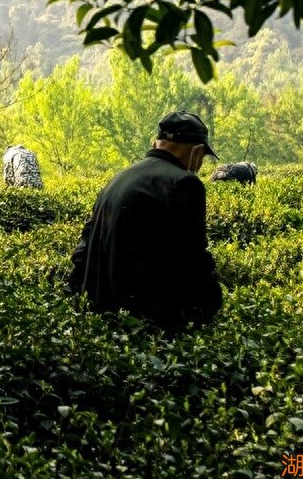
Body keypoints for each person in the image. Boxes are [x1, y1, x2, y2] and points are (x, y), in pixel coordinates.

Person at [67, 111, 223, 331]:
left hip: (101, 320)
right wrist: (214, 310)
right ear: (197, 152)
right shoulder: (185, 183)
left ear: (156, 142)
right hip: (145, 327)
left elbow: (83, 252)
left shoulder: (118, 178)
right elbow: (193, 259)